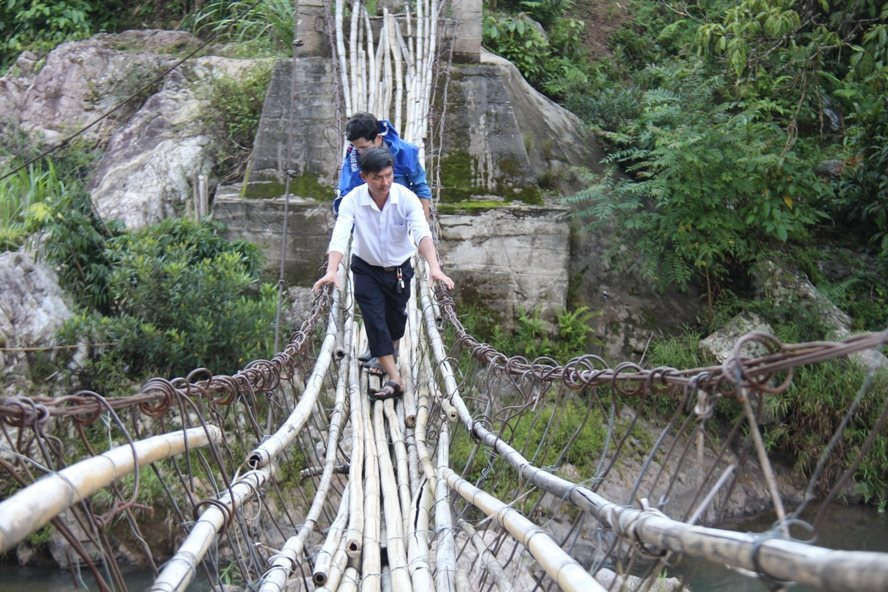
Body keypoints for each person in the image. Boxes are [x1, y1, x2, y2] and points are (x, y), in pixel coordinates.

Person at [314, 148, 454, 400]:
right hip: (365, 268)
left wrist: (434, 267)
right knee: (375, 320)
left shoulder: (406, 199)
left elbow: (421, 233)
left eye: (388, 175)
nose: (385, 182)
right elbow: (341, 234)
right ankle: (395, 378)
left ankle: (389, 352)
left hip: (399, 270)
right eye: (377, 177)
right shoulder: (352, 201)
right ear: (364, 177)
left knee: (396, 321)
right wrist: (332, 270)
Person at [335, 112, 432, 220]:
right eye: (356, 148)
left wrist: (424, 225)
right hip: (366, 219)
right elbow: (346, 195)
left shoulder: (405, 153)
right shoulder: (353, 157)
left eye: (364, 148)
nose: (360, 152)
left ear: (378, 138)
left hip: (400, 217)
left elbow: (421, 187)